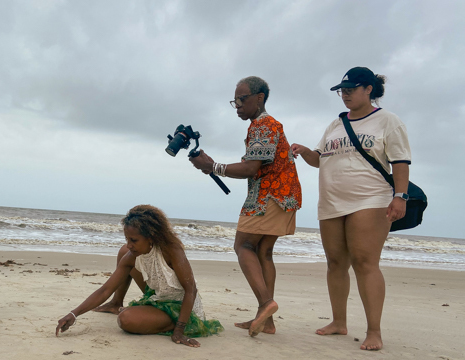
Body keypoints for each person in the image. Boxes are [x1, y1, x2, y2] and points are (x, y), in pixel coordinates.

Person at [291, 67, 411, 351]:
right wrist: (305, 151)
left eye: (350, 90)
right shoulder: (335, 124)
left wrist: (401, 196)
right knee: (335, 263)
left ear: (368, 89)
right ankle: (338, 322)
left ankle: (374, 331)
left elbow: (401, 161)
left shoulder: (388, 121)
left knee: (365, 262)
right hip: (331, 200)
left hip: (370, 198)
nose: (344, 95)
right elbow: (320, 160)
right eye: (341, 91)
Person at [188, 76, 302, 337]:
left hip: (269, 196)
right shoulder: (265, 126)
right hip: (284, 195)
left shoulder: (263, 125)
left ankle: (266, 304)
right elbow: (253, 167)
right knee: (263, 252)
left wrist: (213, 167)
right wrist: (212, 166)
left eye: (242, 99)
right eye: (235, 100)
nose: (237, 105)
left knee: (243, 246)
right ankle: (267, 321)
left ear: (259, 98)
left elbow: (251, 168)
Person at [56, 205, 223, 347]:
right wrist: (73, 314)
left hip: (183, 306)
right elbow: (105, 289)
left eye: (133, 240)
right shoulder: (132, 255)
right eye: (126, 238)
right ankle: (117, 304)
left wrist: (179, 331)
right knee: (124, 255)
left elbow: (191, 290)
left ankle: (169, 322)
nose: (129, 245)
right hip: (159, 298)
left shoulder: (171, 251)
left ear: (151, 237)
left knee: (126, 319)